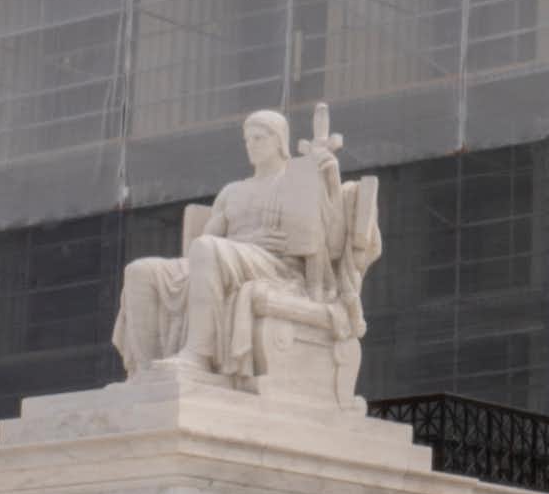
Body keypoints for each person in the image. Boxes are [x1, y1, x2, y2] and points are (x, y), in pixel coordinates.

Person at [113, 110, 368, 379]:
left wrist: (331, 181)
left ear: (279, 140)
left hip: (276, 266)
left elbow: (332, 245)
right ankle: (146, 371)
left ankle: (199, 355)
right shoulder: (231, 191)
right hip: (227, 257)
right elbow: (201, 244)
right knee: (140, 271)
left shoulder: (297, 182)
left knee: (207, 250)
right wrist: (247, 240)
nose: (251, 145)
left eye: (259, 138)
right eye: (247, 139)